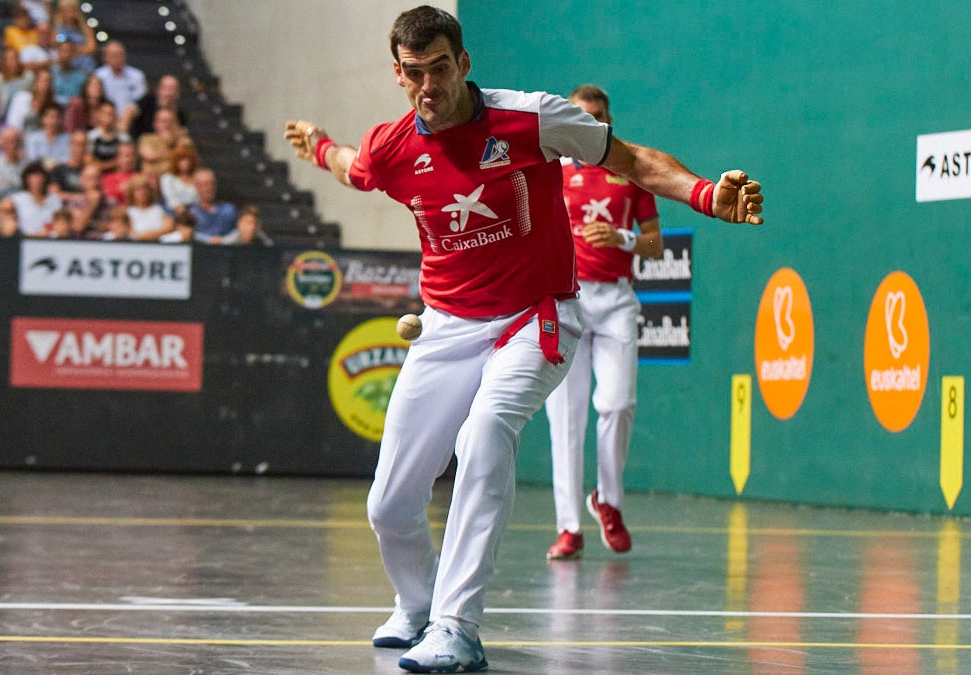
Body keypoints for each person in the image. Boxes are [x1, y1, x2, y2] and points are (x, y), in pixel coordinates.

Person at [281, 6, 762, 673]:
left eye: (440, 68)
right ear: (397, 74)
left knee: (483, 433)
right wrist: (320, 142)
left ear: (464, 64)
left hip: (533, 316)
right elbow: (352, 167)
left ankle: (456, 624)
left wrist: (707, 194)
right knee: (389, 503)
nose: (429, 85)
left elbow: (630, 158)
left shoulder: (532, 118)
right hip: (446, 325)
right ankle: (418, 604)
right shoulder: (394, 146)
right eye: (414, 73)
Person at [543, 85, 663, 561]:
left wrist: (622, 237)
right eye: (581, 116)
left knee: (617, 403)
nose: (590, 124)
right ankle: (569, 526)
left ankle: (607, 501)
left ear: (608, 122)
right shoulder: (549, 174)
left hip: (615, 301)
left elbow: (654, 243)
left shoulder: (629, 169)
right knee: (566, 419)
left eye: (598, 117)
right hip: (565, 302)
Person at [93, 40, 146, 129]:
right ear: (105, 57)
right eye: (113, 55)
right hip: (103, 116)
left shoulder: (137, 76)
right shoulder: (98, 75)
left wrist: (125, 116)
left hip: (129, 120)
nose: (117, 58)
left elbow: (139, 101)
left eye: (120, 54)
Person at [10, 160, 60, 236]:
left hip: (49, 239)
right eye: (33, 176)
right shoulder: (17, 199)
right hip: (25, 239)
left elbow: (57, 222)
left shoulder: (55, 199)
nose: (36, 180)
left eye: (39, 176)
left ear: (44, 178)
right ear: (26, 179)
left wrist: (47, 231)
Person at [188, 167, 236, 243]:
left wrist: (224, 240)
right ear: (197, 187)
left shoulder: (229, 210)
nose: (209, 188)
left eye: (212, 183)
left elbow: (239, 230)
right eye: (205, 184)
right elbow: (187, 232)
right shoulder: (191, 212)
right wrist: (208, 240)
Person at [124, 174, 172, 241]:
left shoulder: (159, 209)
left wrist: (145, 236)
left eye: (145, 189)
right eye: (138, 190)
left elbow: (169, 226)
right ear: (131, 193)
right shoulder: (128, 212)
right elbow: (129, 232)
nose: (142, 192)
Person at [159, 141, 200, 213]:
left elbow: (199, 200)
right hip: (173, 212)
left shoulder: (198, 178)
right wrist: (182, 212)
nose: (185, 163)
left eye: (188, 160)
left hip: (195, 212)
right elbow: (171, 200)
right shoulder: (167, 178)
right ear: (175, 161)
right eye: (182, 160)